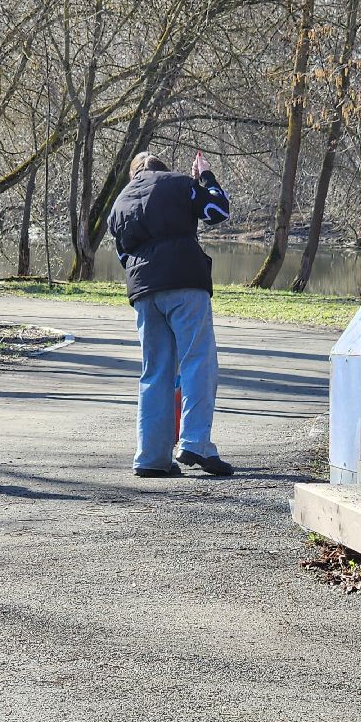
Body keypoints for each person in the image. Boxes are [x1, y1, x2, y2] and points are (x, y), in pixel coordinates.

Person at [107, 149, 233, 478]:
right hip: (184, 281)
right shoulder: (181, 184)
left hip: (144, 290)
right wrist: (205, 176)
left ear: (134, 174)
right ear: (163, 170)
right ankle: (194, 442)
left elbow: (123, 252)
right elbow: (217, 211)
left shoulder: (120, 201)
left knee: (155, 371)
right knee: (197, 360)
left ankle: (151, 457)